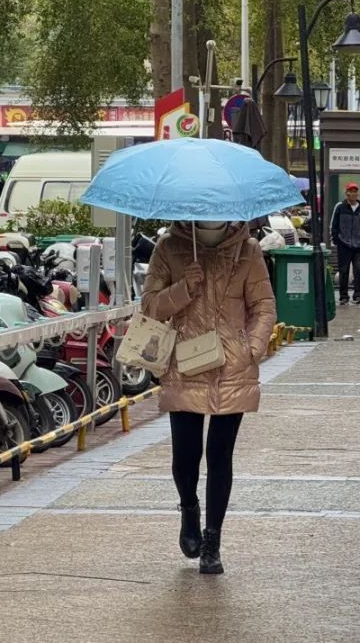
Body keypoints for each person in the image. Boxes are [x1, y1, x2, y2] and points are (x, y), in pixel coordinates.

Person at [141, 220, 276, 576]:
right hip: (184, 364)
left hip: (231, 367)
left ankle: (213, 539)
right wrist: (185, 287)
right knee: (185, 455)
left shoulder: (248, 250)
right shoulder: (169, 247)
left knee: (220, 454)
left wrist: (252, 349)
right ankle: (189, 509)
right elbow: (150, 307)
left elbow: (263, 307)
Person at [330, 182, 360, 305]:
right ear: (346, 193)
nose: (352, 194)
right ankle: (343, 296)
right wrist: (337, 239)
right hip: (344, 245)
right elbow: (334, 225)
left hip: (359, 245)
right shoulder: (340, 208)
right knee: (343, 271)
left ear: (357, 194)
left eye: (355, 191)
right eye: (350, 191)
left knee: (358, 270)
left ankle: (358, 295)